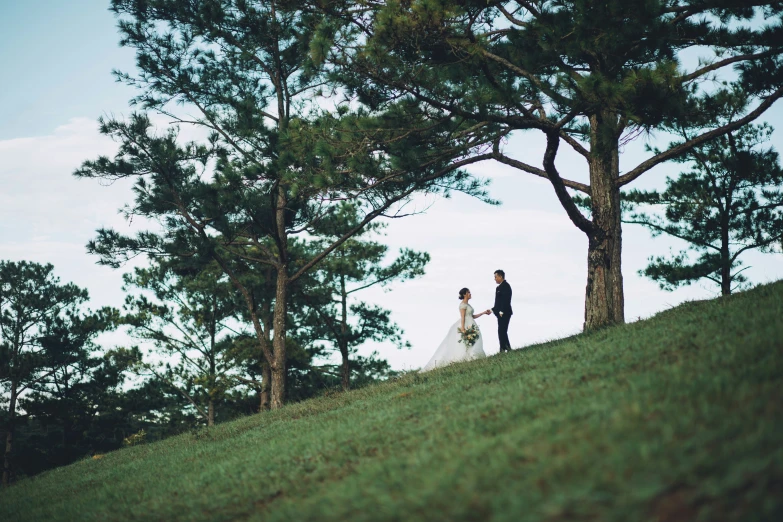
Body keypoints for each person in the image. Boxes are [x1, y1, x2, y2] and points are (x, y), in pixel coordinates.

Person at [422, 288, 490, 371]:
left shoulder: (468, 305)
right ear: (464, 294)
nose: (470, 294)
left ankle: (473, 355)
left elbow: (472, 316)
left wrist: (483, 313)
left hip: (471, 323)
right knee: (466, 341)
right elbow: (462, 317)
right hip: (466, 325)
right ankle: (467, 357)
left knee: (474, 339)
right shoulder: (463, 305)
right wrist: (462, 328)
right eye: (468, 292)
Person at [485, 269, 513, 352]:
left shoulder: (506, 286)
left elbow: (506, 300)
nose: (495, 279)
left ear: (501, 276)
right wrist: (492, 310)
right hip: (500, 313)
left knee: (502, 331)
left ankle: (504, 349)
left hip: (505, 313)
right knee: (501, 331)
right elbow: (498, 302)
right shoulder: (498, 287)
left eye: (496, 277)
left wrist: (501, 311)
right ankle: (506, 348)